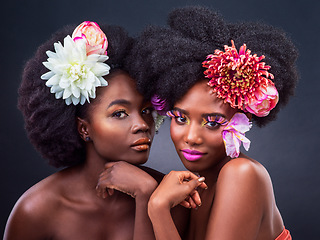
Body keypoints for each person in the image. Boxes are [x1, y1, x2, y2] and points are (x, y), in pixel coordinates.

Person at [126, 6, 298, 240]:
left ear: (242, 120)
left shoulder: (242, 175)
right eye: (180, 118)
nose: (192, 137)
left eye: (213, 123)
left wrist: (158, 208)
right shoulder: (192, 186)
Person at [4, 21, 162, 240]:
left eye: (146, 110)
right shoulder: (37, 211)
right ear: (83, 128)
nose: (143, 124)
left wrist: (146, 194)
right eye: (119, 113)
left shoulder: (167, 198)